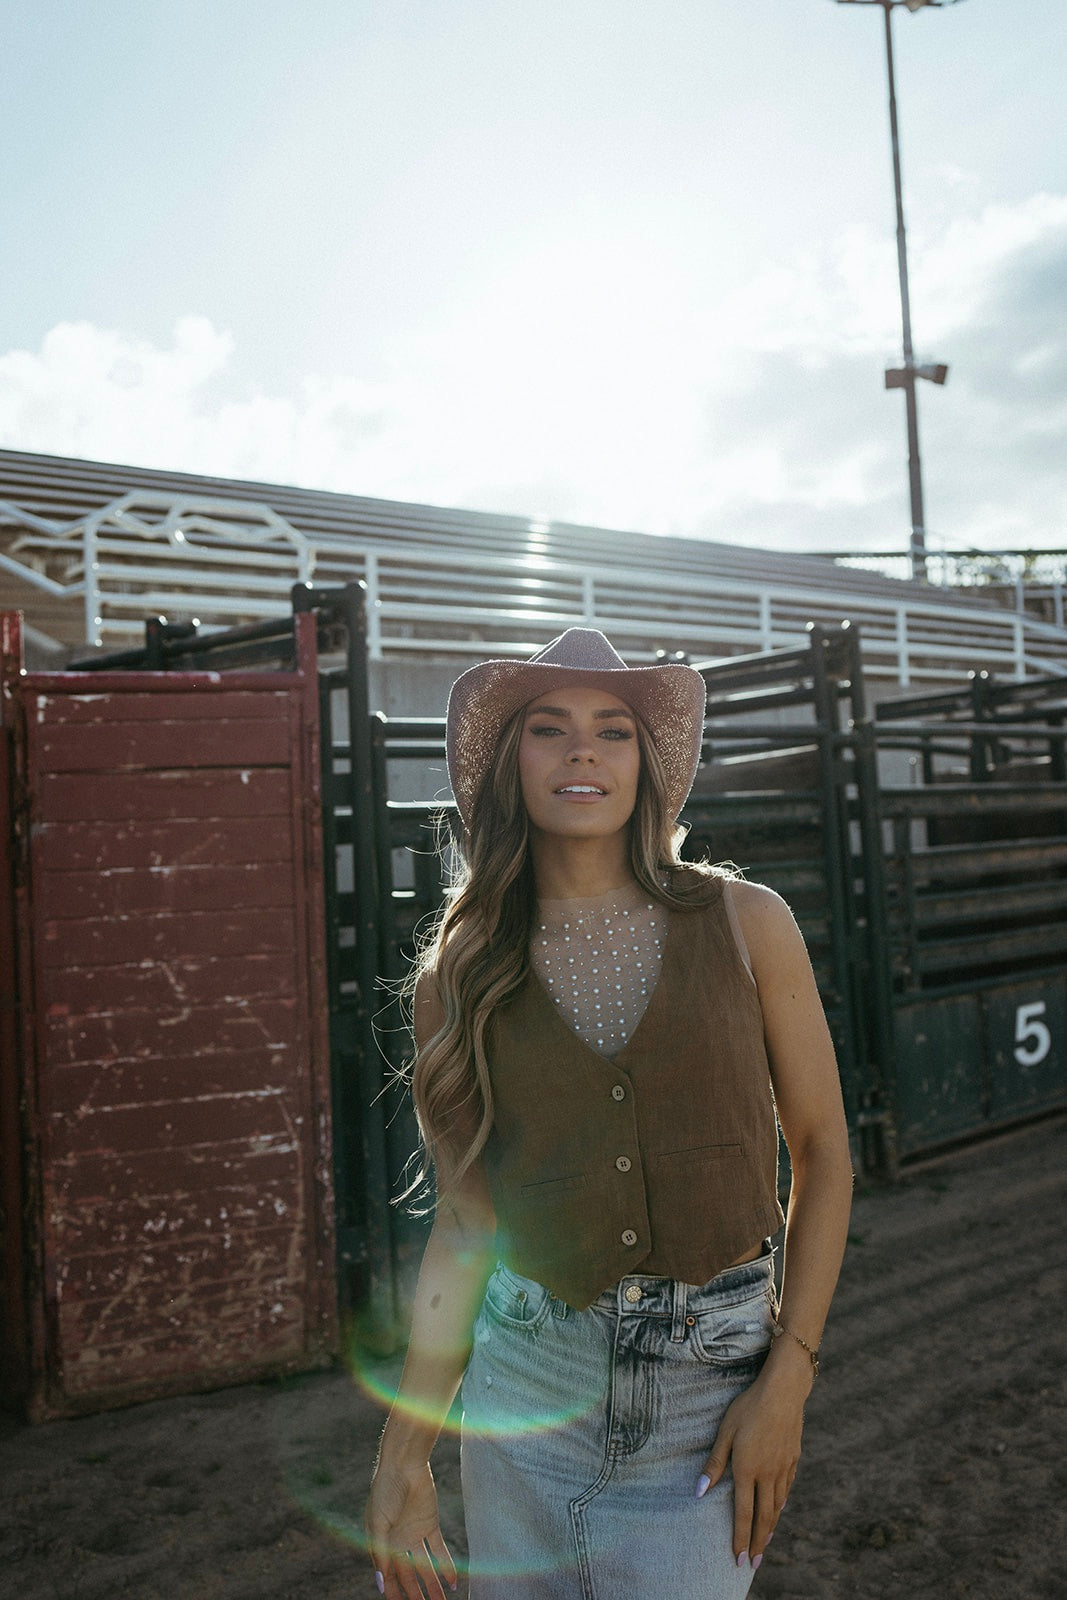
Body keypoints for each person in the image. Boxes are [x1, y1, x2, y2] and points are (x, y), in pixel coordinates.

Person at [365, 628, 853, 1599]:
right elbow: (465, 1224)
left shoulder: (748, 921)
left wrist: (787, 1377)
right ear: (513, 764)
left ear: (645, 764)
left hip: (704, 1403)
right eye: (548, 728)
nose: (581, 750)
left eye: (611, 730)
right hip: (525, 1398)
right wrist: (401, 1456)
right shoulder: (457, 975)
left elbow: (822, 1152)